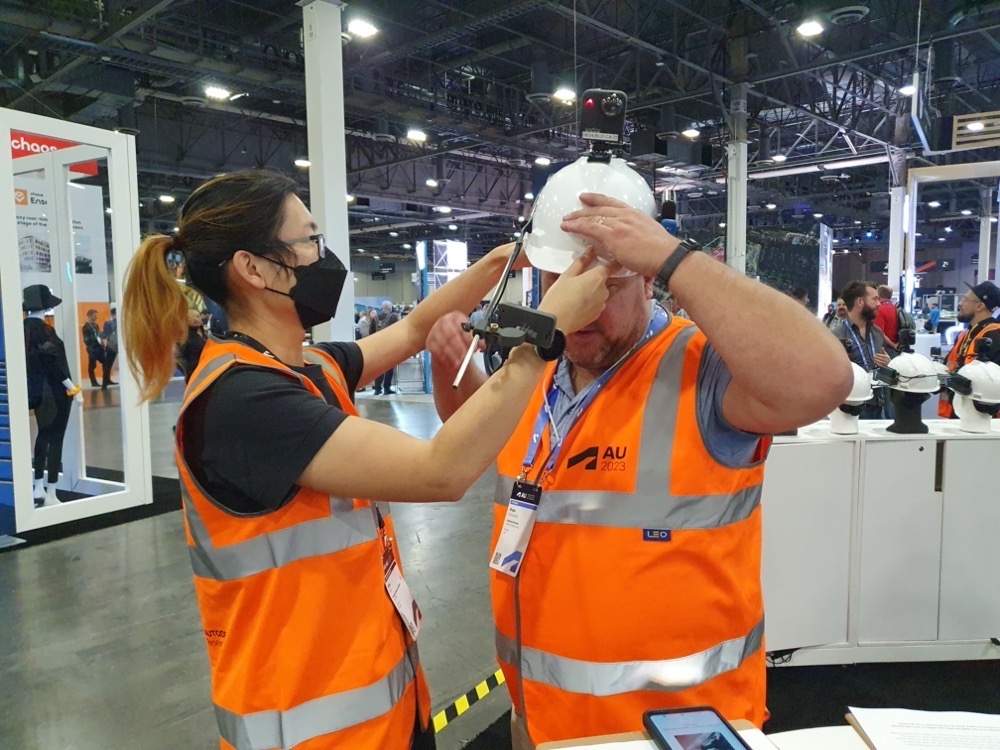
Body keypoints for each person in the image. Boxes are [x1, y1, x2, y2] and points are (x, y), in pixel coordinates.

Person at [120, 169, 611, 750]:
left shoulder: (309, 369)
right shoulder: (244, 401)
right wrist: (543, 332)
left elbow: (414, 329)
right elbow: (441, 470)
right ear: (253, 268)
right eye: (307, 240)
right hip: (314, 731)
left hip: (383, 714)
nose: (321, 256)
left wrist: (502, 265)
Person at [427, 192, 852, 747]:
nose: (577, 308)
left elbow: (823, 380)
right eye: (558, 285)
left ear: (648, 281)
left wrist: (675, 258)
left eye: (605, 286)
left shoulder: (701, 369)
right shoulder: (537, 362)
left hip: (679, 733)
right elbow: (478, 439)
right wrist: (446, 366)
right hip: (542, 722)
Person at [23, 285, 82, 507]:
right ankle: (51, 492)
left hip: (37, 391)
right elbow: (52, 363)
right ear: (45, 306)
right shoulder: (45, 331)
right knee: (56, 439)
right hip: (55, 392)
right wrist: (73, 389)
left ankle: (38, 487)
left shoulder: (23, 329)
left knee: (42, 437)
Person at [939, 281, 1000, 417]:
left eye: (965, 300)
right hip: (959, 412)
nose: (960, 303)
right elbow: (949, 366)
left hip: (982, 419)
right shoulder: (964, 335)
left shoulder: (995, 337)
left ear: (979, 306)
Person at [831, 280, 891, 419]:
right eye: (875, 299)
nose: (879, 303)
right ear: (860, 302)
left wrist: (887, 364)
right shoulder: (836, 335)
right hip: (848, 407)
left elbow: (884, 369)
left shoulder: (877, 333)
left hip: (876, 404)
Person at [374, 300, 400, 394]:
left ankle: (377, 388)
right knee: (389, 367)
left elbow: (371, 331)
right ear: (390, 308)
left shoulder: (375, 317)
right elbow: (397, 330)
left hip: (377, 345)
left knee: (378, 367)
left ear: (382, 308)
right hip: (389, 344)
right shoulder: (393, 316)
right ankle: (386, 388)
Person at [81, 308, 112, 389]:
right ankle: (93, 382)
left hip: (99, 347)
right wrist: (93, 343)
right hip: (92, 349)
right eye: (95, 315)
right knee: (92, 365)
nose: (96, 317)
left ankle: (107, 379)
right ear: (90, 316)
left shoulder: (96, 325)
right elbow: (86, 339)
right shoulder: (86, 327)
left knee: (106, 362)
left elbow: (98, 335)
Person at [178, 308, 207, 382]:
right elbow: (180, 358)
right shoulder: (184, 337)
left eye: (197, 316)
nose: (196, 319)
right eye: (192, 317)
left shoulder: (204, 335)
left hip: (205, 372)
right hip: (194, 376)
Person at [874, 285, 899, 354]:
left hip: (887, 349)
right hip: (898, 347)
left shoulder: (879, 310)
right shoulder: (896, 309)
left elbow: (879, 333)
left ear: (878, 295)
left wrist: (893, 345)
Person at [102, 305, 119, 384]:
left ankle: (105, 382)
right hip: (120, 345)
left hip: (111, 345)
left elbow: (105, 335)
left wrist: (105, 346)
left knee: (108, 365)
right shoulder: (120, 321)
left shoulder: (108, 323)